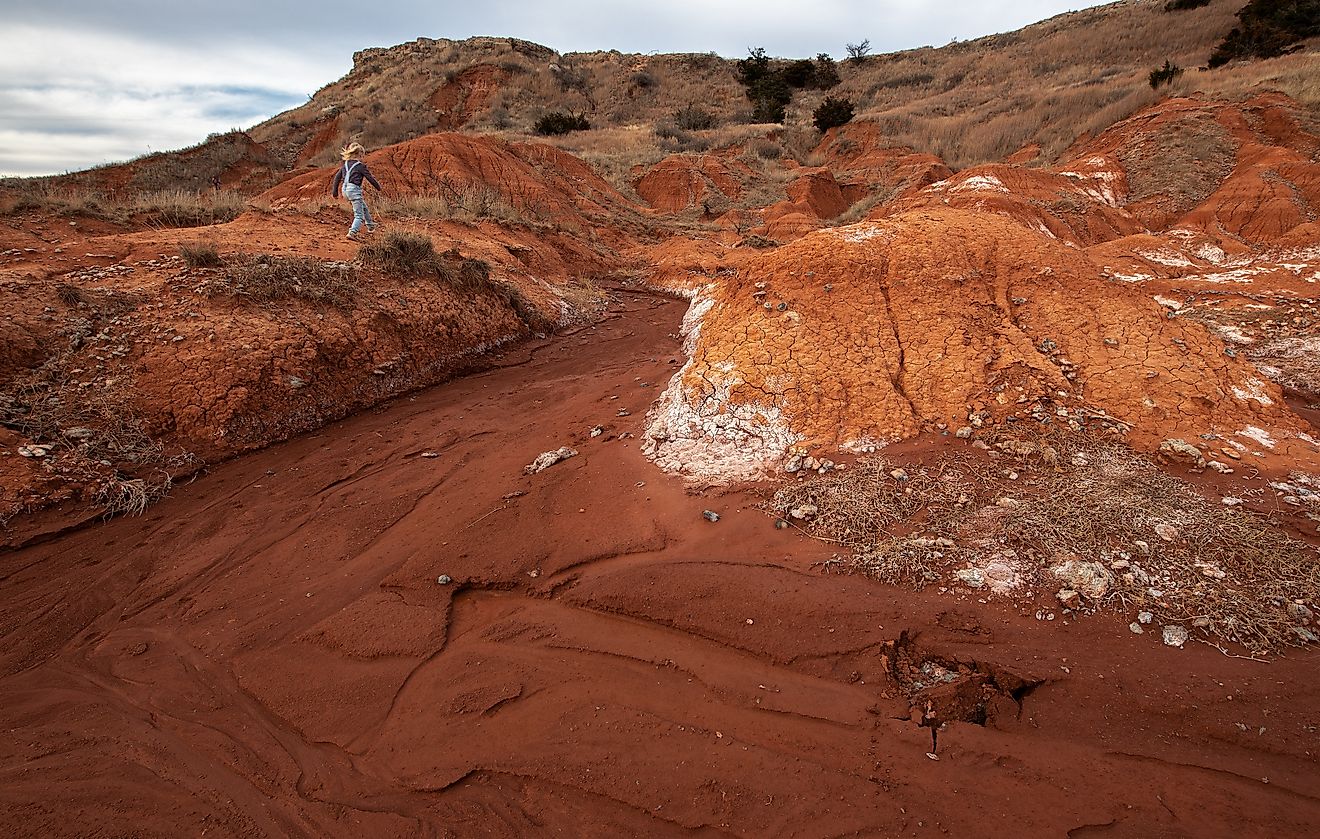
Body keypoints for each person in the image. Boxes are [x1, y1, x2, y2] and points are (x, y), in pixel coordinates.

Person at [330, 142, 382, 240]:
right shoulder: (360, 166)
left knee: (364, 207)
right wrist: (378, 187)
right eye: (362, 156)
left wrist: (335, 192)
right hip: (354, 190)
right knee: (359, 215)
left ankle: (371, 226)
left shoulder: (345, 165)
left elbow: (337, 178)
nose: (363, 158)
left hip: (345, 190)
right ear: (359, 155)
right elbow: (370, 177)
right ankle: (352, 232)